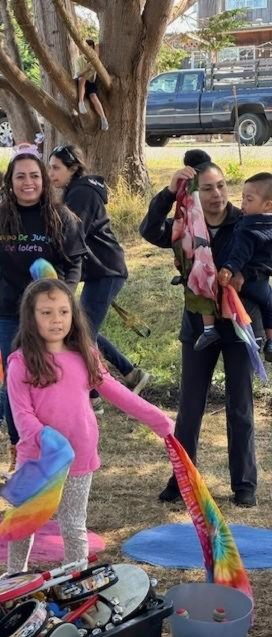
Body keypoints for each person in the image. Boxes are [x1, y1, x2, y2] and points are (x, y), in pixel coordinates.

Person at [5, 278, 174, 573]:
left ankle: (77, 580)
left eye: (63, 311)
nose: (56, 320)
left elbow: (118, 393)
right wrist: (48, 440)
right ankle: (13, 575)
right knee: (23, 522)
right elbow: (22, 415)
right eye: (46, 313)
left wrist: (159, 420)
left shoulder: (86, 355)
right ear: (30, 318)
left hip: (80, 457)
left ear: (73, 314)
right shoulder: (20, 362)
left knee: (73, 524)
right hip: (36, 459)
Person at [0, 145, 87, 473]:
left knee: (48, 384)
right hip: (11, 315)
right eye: (20, 176)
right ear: (10, 182)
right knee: (15, 385)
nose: (28, 182)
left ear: (44, 180)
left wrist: (59, 304)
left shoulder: (62, 217)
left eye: (34, 176)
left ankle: (53, 450)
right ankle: (19, 450)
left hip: (51, 322)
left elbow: (73, 267)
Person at [140, 150, 260, 507]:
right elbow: (148, 230)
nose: (217, 194)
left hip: (238, 323)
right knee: (190, 407)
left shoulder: (246, 222)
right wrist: (166, 192)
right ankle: (181, 481)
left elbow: (266, 262)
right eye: (207, 188)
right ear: (194, 193)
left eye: (222, 186)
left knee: (240, 406)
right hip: (198, 326)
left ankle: (244, 484)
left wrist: (244, 276)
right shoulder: (185, 223)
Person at [48, 144, 150, 412]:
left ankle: (92, 396)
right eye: (49, 167)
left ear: (72, 168)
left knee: (82, 334)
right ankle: (131, 374)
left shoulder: (81, 194)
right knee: (83, 328)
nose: (50, 173)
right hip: (99, 271)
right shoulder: (75, 191)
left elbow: (71, 235)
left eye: (56, 167)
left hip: (107, 271)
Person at [213, 172, 272, 362]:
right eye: (242, 198)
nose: (243, 204)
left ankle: (260, 338)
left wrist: (230, 267)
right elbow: (242, 252)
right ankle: (269, 340)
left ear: (268, 205)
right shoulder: (263, 224)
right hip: (254, 279)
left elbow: (241, 252)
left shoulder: (250, 226)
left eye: (249, 199)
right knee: (268, 303)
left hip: (249, 277)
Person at [74, 39, 109, 131]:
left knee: (93, 96)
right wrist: (87, 68)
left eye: (90, 49)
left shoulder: (95, 59)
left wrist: (93, 57)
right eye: (86, 49)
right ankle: (81, 102)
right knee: (82, 79)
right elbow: (78, 74)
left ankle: (103, 118)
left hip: (90, 82)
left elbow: (97, 45)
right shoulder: (79, 60)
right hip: (80, 82)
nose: (87, 52)